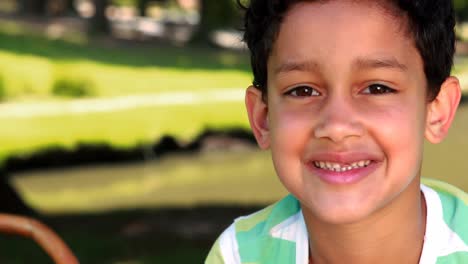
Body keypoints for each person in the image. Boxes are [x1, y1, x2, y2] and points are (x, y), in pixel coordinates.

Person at [206, 0, 468, 263]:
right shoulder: (238, 255)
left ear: (437, 111)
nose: (337, 127)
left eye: (377, 88)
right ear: (263, 118)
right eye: (302, 91)